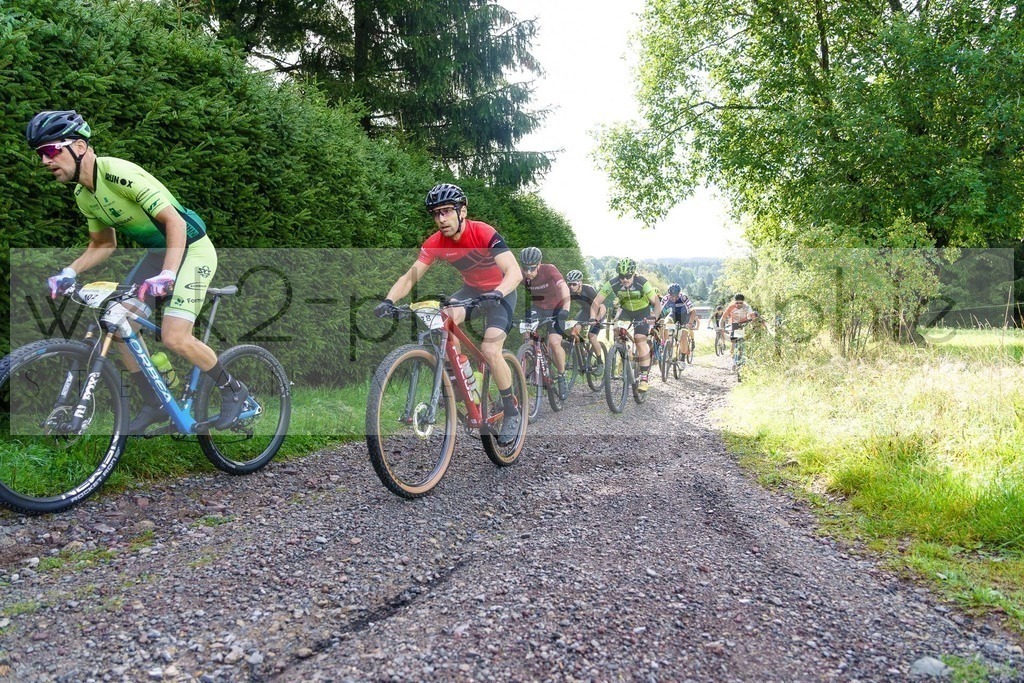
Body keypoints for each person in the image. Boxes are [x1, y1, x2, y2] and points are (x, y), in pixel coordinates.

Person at [29, 110, 248, 434]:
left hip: (193, 248)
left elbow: (174, 221)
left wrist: (168, 274)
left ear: (78, 146)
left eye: (50, 150)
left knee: (175, 336)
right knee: (118, 321)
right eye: (40, 154)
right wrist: (68, 272)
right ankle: (155, 403)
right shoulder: (84, 195)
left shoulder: (118, 173)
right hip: (160, 253)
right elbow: (103, 244)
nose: (46, 161)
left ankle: (235, 391)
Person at [374, 183, 523, 445]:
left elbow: (514, 272)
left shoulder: (484, 233)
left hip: (501, 293)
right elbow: (410, 278)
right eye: (435, 214)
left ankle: (511, 410)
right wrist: (388, 300)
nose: (441, 219)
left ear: (462, 210)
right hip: (472, 291)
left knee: (490, 350)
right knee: (440, 319)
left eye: (446, 211)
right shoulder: (435, 243)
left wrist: (498, 293)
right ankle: (465, 382)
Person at [589, 257, 661, 392]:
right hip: (626, 311)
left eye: (628, 276)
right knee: (617, 330)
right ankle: (624, 352)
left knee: (640, 339)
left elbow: (656, 302)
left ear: (633, 273)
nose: (625, 279)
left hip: (642, 311)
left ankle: (644, 377)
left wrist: (654, 317)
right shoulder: (613, 283)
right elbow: (596, 301)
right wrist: (593, 317)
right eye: (622, 276)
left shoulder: (642, 282)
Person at [519, 247, 571, 400]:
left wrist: (566, 309)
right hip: (538, 307)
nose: (528, 272)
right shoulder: (521, 273)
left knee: (555, 343)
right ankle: (529, 358)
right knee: (526, 331)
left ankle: (562, 377)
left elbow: (564, 287)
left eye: (532, 268)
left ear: (539, 264)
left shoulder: (549, 270)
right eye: (525, 268)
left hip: (557, 308)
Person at [564, 269, 606, 373]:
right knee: (574, 332)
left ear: (580, 283)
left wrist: (596, 319)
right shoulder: (569, 291)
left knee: (592, 337)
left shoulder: (589, 290)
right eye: (569, 284)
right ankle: (583, 350)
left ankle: (600, 363)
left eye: (574, 284)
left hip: (598, 312)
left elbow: (601, 306)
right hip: (585, 312)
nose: (571, 287)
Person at [719, 293, 757, 368]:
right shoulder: (731, 307)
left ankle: (745, 359)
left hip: (745, 323)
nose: (739, 304)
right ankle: (734, 363)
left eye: (741, 303)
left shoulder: (747, 307)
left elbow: (753, 318)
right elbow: (722, 319)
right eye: (737, 303)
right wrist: (721, 327)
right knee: (734, 342)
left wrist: (754, 325)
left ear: (743, 302)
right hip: (735, 324)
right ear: (734, 301)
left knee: (744, 342)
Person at [661, 284, 697, 359]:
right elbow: (658, 309)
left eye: (676, 296)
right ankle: (667, 347)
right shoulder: (666, 298)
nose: (673, 298)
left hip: (685, 316)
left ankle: (682, 359)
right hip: (674, 314)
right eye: (671, 295)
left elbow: (693, 311)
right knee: (666, 323)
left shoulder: (683, 298)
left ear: (679, 294)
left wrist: (690, 323)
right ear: (669, 294)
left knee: (683, 338)